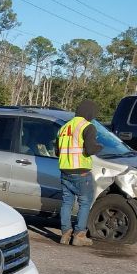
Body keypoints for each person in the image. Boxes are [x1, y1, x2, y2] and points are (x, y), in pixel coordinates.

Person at [57, 99, 102, 246]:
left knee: (66, 203)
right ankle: (79, 236)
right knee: (84, 202)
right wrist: (99, 147)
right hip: (81, 173)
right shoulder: (88, 127)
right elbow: (89, 150)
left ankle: (65, 234)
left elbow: (57, 151)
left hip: (65, 171)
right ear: (90, 113)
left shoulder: (63, 128)